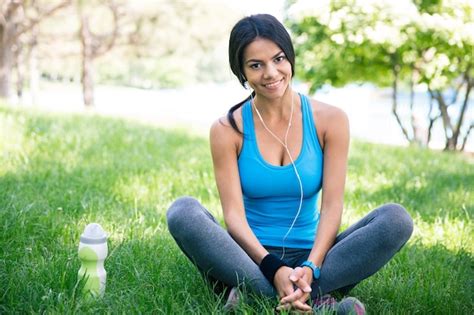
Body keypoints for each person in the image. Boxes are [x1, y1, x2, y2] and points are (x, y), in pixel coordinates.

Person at [166, 14, 413, 313]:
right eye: (255, 65)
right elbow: (233, 216)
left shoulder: (330, 120)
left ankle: (262, 294)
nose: (271, 73)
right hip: (248, 257)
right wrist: (272, 267)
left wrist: (312, 264)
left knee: (395, 220)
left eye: (278, 59)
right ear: (241, 72)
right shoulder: (227, 129)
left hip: (315, 255)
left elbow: (332, 207)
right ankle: (314, 299)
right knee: (182, 212)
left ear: (290, 57)